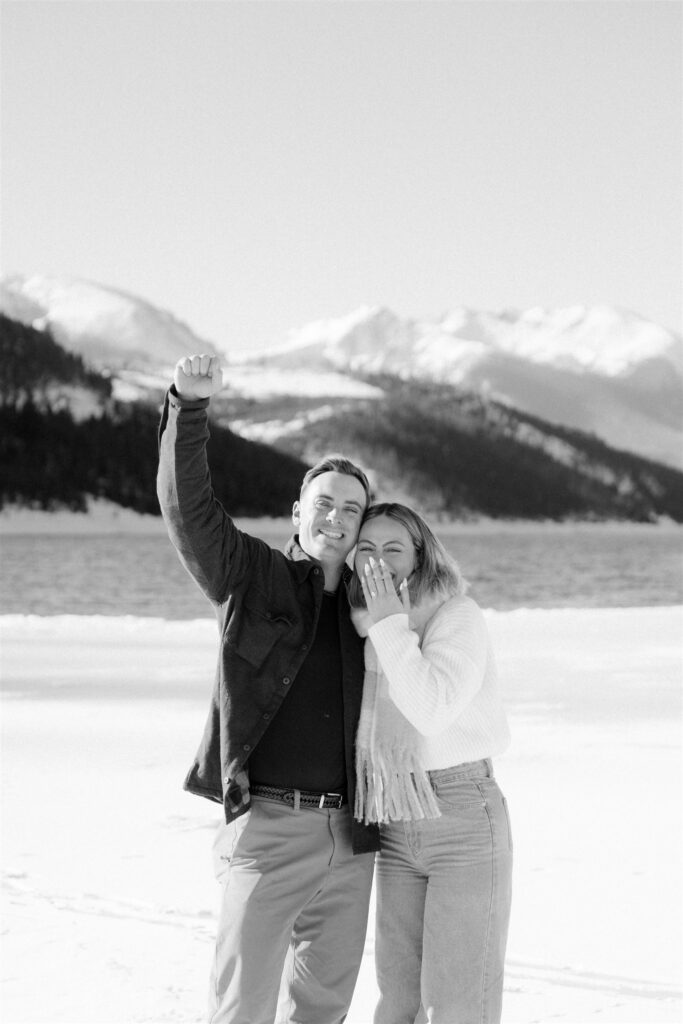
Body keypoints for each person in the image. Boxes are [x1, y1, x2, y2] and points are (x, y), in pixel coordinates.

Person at [156, 354, 379, 1024]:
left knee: (321, 1011)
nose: (335, 519)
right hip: (269, 830)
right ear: (296, 511)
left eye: (351, 509)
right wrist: (185, 406)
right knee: (241, 1009)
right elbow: (187, 506)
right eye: (323, 504)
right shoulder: (252, 575)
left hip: (354, 836)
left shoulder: (378, 613)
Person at [348, 502, 512, 1024]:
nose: (378, 560)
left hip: (462, 817)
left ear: (421, 556)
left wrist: (391, 626)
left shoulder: (455, 615)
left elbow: (430, 708)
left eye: (393, 548)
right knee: (397, 1000)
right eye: (366, 549)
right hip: (395, 816)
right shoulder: (362, 626)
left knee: (456, 1005)